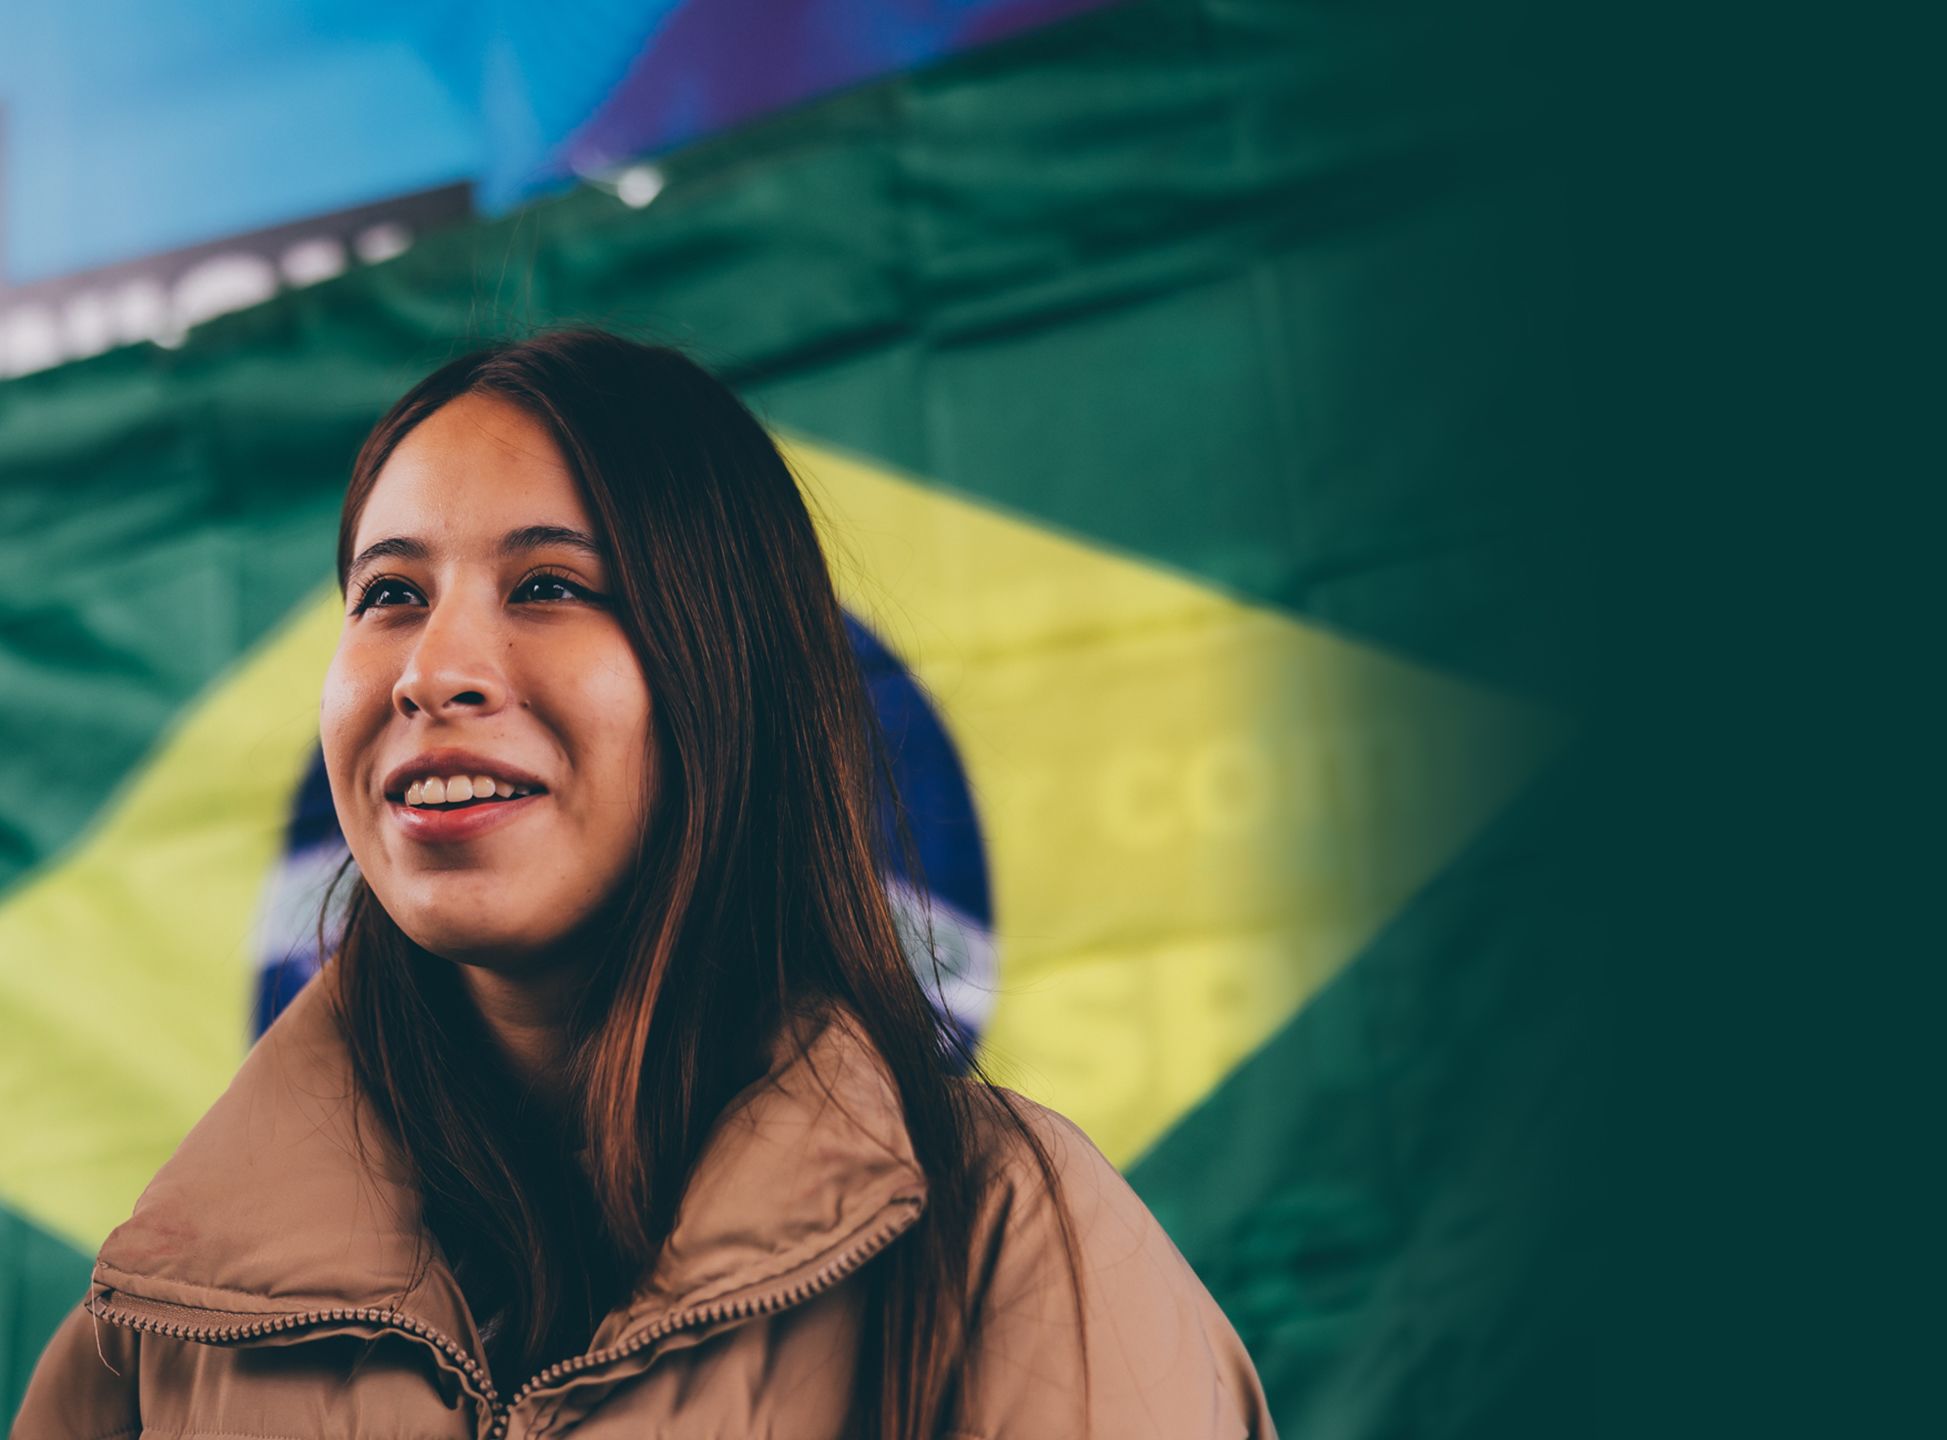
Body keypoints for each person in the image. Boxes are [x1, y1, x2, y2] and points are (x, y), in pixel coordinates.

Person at [11, 329, 1276, 1439]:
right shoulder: (160, 1336)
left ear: (725, 683)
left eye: (550, 586)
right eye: (388, 593)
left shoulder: (1010, 1243)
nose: (432, 668)